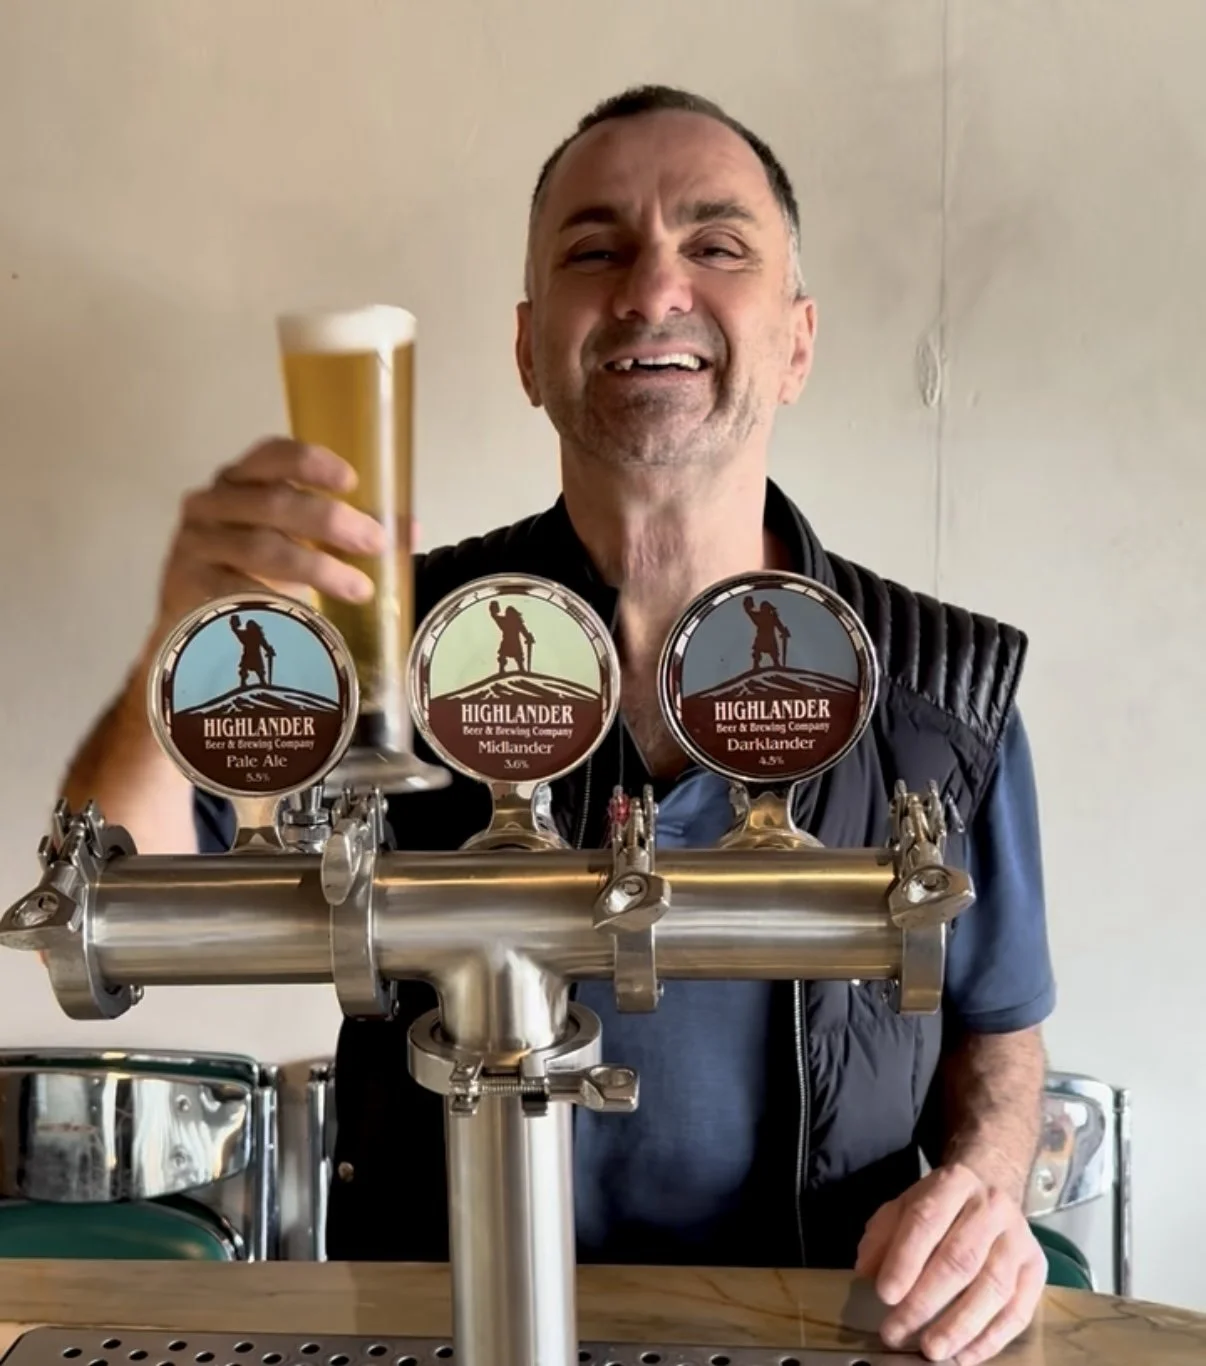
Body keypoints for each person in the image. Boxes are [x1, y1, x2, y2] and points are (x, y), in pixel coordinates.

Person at [60, 86, 1055, 1366]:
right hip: (442, 1335)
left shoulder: (939, 688)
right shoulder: (390, 661)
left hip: (816, 1335)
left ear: (797, 342)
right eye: (597, 249)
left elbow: (1003, 1027)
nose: (653, 290)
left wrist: (984, 1188)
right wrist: (173, 649)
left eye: (717, 245)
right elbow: (116, 897)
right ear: (530, 350)